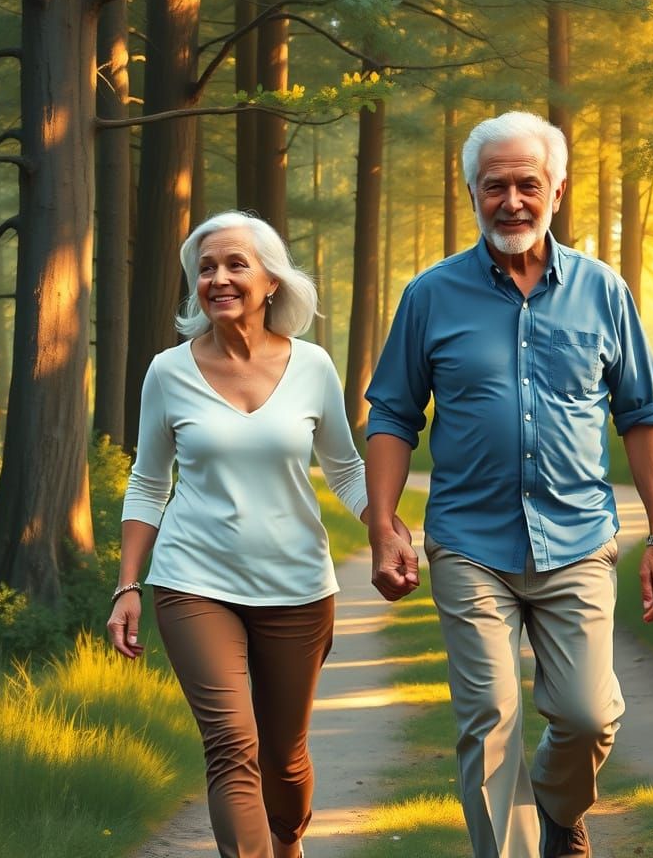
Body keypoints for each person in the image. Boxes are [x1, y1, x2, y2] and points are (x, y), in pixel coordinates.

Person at [364, 112, 653, 858]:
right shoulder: (430, 295)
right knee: (491, 715)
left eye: (527, 183)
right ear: (471, 191)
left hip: (576, 538)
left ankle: (560, 810)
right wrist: (384, 525)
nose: (511, 200)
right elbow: (392, 416)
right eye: (494, 185)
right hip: (470, 543)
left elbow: (644, 415)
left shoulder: (604, 292)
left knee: (586, 716)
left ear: (558, 189)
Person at [107, 210, 407, 858]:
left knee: (285, 756)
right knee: (230, 746)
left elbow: (346, 469)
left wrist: (385, 531)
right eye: (206, 268)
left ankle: (287, 840)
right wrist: (128, 583)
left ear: (271, 281)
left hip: (296, 585)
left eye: (235, 264)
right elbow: (148, 482)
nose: (218, 277)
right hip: (194, 583)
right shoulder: (167, 372)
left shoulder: (313, 366)